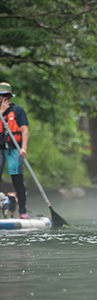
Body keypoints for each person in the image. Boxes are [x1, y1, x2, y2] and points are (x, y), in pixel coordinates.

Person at [0, 82, 29, 219]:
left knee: (17, 180)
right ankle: (5, 202)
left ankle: (22, 211)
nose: (1, 98)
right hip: (0, 148)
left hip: (13, 149)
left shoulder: (18, 110)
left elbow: (24, 129)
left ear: (9, 96)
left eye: (4, 95)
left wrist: (23, 148)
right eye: (0, 95)